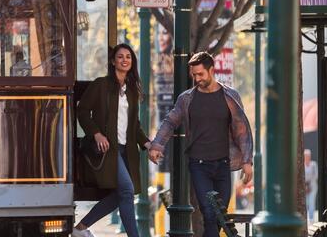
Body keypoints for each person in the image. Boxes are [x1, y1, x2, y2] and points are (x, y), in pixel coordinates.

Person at [148, 52, 254, 237]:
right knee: (208, 211)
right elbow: (170, 121)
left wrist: (247, 161)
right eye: (194, 75)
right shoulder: (187, 98)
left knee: (219, 216)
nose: (196, 79)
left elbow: (241, 130)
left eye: (200, 74)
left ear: (211, 70)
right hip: (199, 164)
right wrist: (157, 145)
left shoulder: (230, 96)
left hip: (223, 165)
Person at [72, 44, 151, 237]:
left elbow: (135, 125)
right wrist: (96, 133)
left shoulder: (132, 91)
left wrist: (147, 143)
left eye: (128, 57)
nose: (125, 60)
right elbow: (82, 111)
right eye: (120, 56)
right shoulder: (101, 85)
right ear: (113, 61)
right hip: (108, 151)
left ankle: (80, 228)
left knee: (123, 193)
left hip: (127, 151)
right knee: (127, 190)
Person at [305, 149, 318, 222]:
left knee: (311, 202)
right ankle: (306, 218)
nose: (307, 157)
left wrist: (309, 181)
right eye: (306, 156)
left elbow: (316, 175)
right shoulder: (302, 164)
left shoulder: (313, 164)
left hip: (312, 187)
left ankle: (311, 218)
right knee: (306, 202)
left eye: (308, 156)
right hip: (305, 187)